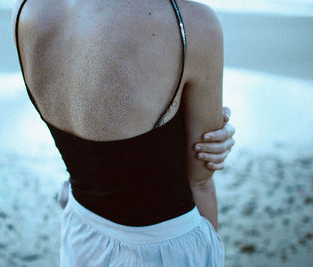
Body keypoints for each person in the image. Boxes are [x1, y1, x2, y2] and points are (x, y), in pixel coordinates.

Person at [12, 0, 234, 266]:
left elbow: (91, 149)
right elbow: (200, 182)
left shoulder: (27, 8)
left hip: (80, 235)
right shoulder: (191, 23)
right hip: (164, 250)